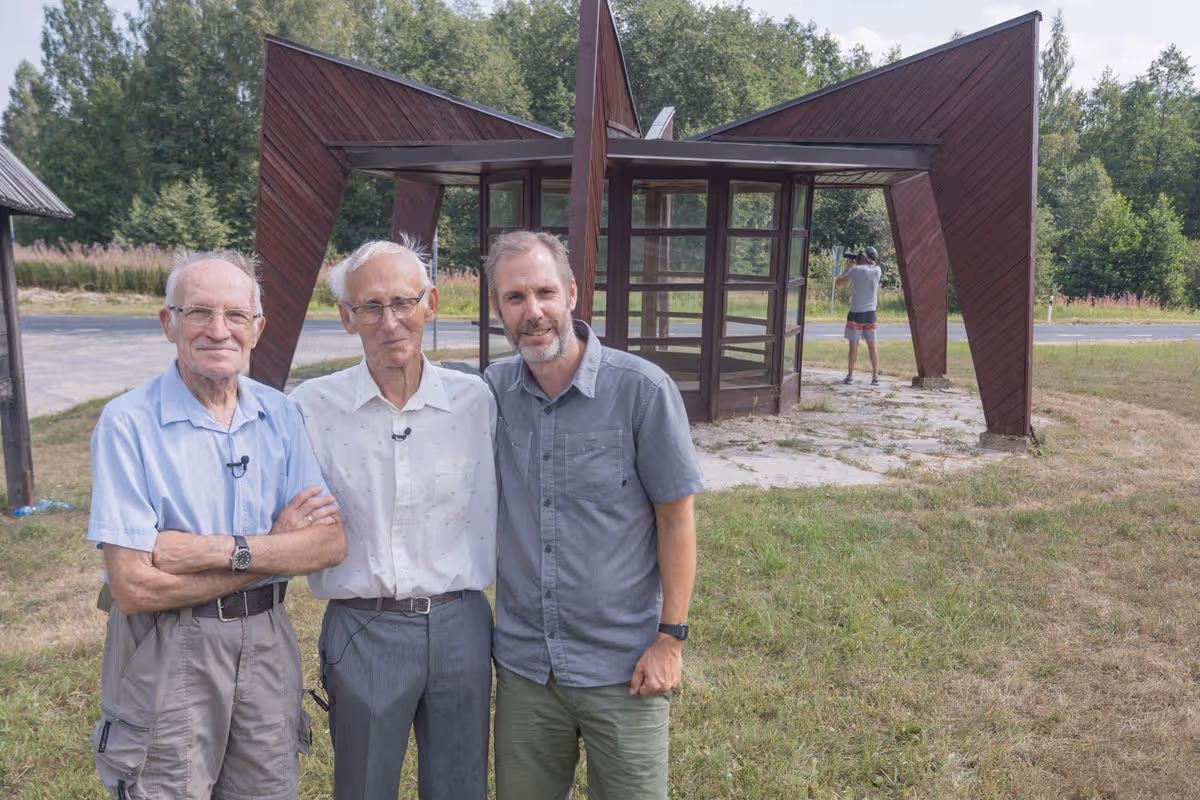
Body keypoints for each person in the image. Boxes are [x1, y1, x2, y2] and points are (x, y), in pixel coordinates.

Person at [86, 250, 347, 800]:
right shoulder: (128, 423)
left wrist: (212, 551)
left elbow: (327, 543)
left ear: (257, 329)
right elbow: (133, 588)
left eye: (235, 315)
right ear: (169, 322)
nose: (218, 329)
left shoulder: (280, 414)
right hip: (167, 643)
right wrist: (275, 551)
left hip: (268, 642)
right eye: (200, 312)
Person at [483, 231, 705, 800]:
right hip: (527, 670)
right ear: (497, 308)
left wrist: (671, 641)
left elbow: (676, 520)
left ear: (573, 294)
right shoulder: (492, 395)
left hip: (625, 666)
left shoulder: (642, 391)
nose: (533, 312)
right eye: (515, 298)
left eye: (545, 293)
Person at [290, 238, 497, 800]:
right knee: (363, 787)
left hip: (461, 625)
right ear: (346, 317)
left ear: (431, 304)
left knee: (460, 788)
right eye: (371, 307)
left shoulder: (477, 401)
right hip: (364, 628)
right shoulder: (311, 408)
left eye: (404, 302)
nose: (390, 322)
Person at [836, 245, 882, 385]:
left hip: (855, 313)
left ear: (864, 257)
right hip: (870, 314)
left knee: (853, 347)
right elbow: (867, 268)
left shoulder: (855, 270)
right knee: (872, 346)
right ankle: (875, 377)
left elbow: (838, 283)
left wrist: (848, 267)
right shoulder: (878, 270)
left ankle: (850, 376)